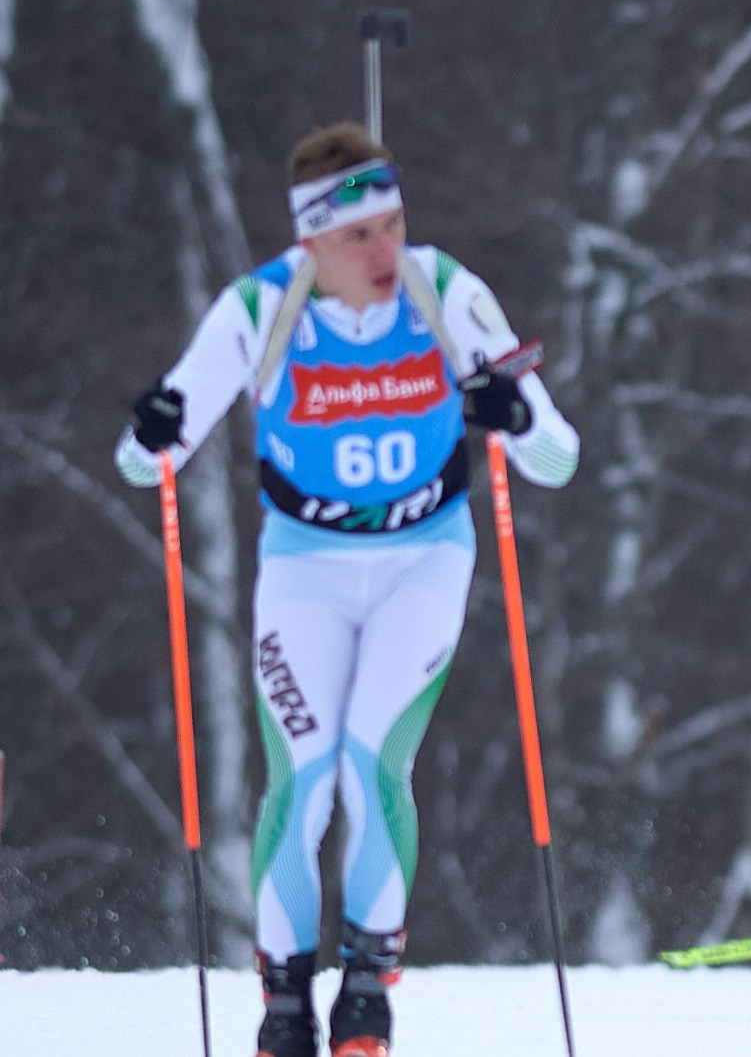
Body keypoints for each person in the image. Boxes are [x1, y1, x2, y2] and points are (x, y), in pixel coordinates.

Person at [115, 124, 579, 1057]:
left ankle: (368, 980)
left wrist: (515, 412)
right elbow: (144, 457)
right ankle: (283, 998)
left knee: (373, 759)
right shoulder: (260, 308)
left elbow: (559, 459)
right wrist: (152, 427)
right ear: (312, 240)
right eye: (360, 235)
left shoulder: (444, 292)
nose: (384, 251)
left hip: (424, 557)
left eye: (394, 224)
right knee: (304, 772)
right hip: (306, 567)